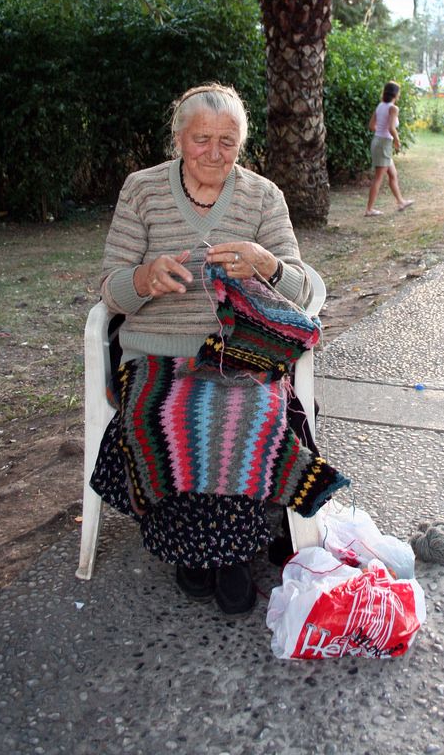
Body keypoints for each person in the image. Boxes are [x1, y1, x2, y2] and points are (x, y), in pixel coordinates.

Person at [91, 82, 314, 616]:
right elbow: (108, 287)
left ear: (242, 143)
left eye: (227, 142)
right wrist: (142, 279)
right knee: (166, 413)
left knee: (248, 407)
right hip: (155, 351)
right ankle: (191, 552)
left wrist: (267, 264)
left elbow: (303, 289)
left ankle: (230, 554)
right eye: (201, 140)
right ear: (178, 139)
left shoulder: (264, 197)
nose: (213, 153)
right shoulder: (141, 191)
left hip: (241, 353)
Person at [365, 80, 414, 216]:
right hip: (384, 144)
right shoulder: (393, 108)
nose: (399, 95)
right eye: (399, 93)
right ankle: (369, 210)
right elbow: (392, 128)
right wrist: (397, 141)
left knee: (393, 174)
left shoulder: (381, 106)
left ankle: (401, 202)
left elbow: (371, 126)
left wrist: (380, 133)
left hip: (378, 141)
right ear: (395, 94)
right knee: (378, 178)